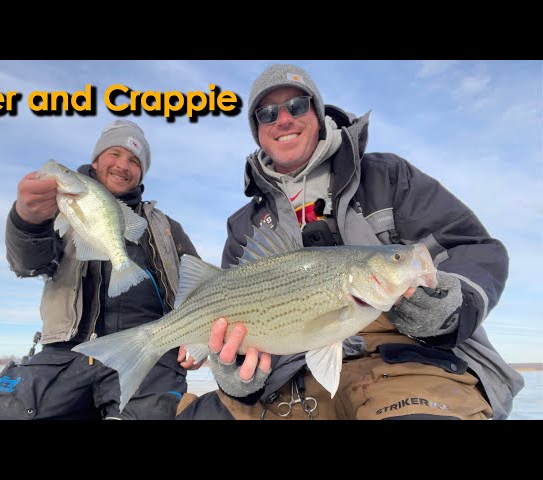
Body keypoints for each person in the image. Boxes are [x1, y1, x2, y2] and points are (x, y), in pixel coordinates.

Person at [176, 63, 524, 420]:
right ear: (257, 130)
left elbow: (472, 246)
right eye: (267, 113)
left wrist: (451, 304)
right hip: (289, 376)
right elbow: (233, 320)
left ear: (317, 110)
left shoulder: (386, 176)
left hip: (409, 361)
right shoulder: (244, 224)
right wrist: (235, 371)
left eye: (297, 105)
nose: (283, 119)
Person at [0, 119, 201, 420]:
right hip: (66, 352)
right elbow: (27, 264)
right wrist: (26, 221)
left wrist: (198, 334)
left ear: (142, 172)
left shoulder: (167, 227)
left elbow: (200, 287)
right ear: (96, 159)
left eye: (134, 160)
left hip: (146, 352)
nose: (123, 165)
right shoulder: (56, 207)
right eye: (114, 154)